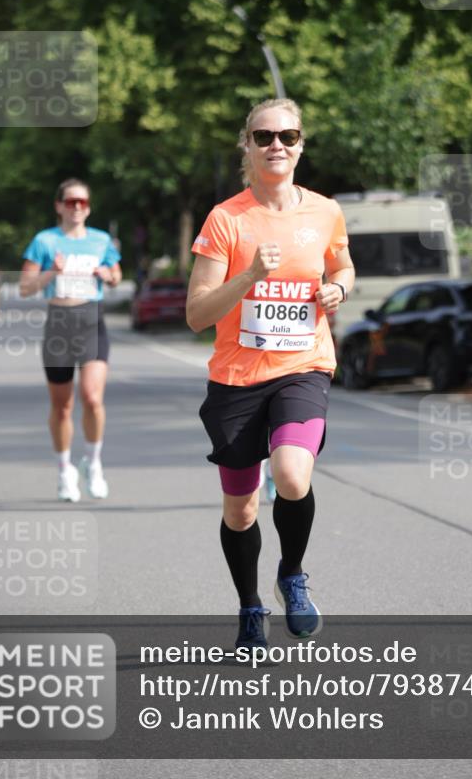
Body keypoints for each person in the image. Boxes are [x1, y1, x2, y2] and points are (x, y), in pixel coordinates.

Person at [187, 98, 355, 650]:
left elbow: (342, 263)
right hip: (236, 378)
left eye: (287, 135)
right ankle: (250, 607)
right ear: (248, 145)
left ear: (301, 144)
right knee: (240, 511)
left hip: (302, 367)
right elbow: (196, 315)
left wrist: (339, 288)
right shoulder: (226, 219)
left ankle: (293, 575)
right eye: (264, 136)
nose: (276, 145)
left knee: (291, 475)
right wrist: (249, 276)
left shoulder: (325, 211)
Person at [20, 179, 122, 502]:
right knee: (62, 406)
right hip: (59, 325)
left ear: (88, 207)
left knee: (92, 397)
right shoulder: (45, 241)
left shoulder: (101, 240)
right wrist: (51, 272)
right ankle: (65, 470)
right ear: (59, 206)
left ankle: (93, 463)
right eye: (70, 202)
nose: (76, 207)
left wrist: (108, 276)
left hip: (91, 321)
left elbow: (116, 275)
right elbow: (25, 287)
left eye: (82, 202)